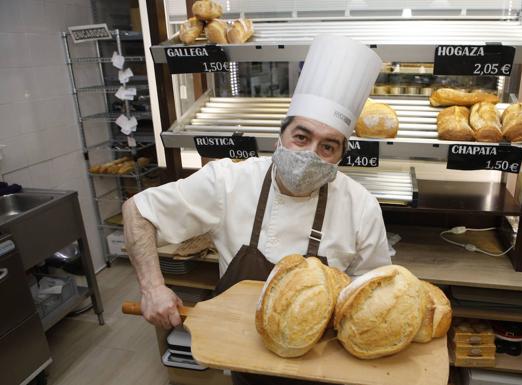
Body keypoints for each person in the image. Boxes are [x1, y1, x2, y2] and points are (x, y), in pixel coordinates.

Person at [123, 34, 392, 383]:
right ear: (280, 135)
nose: (311, 154)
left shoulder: (361, 207)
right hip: (245, 362)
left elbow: (377, 294)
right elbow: (137, 210)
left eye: (328, 146)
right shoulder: (228, 182)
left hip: (322, 366)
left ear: (342, 154)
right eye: (301, 137)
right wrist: (152, 288)